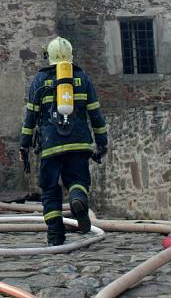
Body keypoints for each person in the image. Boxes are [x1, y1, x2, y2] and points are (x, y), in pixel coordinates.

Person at [19, 36, 108, 246]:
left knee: (49, 190)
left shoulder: (40, 81)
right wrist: (101, 141)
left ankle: (56, 236)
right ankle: (78, 199)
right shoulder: (82, 78)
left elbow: (30, 117)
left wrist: (24, 143)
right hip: (78, 142)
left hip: (50, 144)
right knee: (78, 180)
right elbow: (95, 114)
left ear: (48, 56)